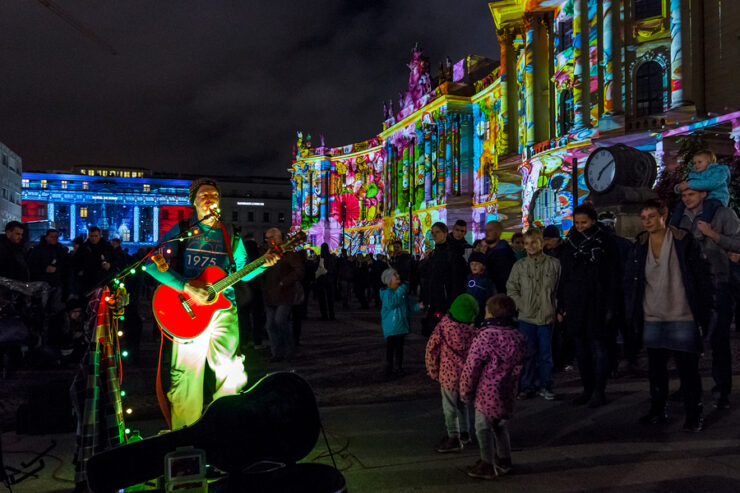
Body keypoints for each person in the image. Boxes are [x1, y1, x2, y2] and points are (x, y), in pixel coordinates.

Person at [145, 177, 278, 429]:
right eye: (203, 195)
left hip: (224, 310)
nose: (209, 198)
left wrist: (262, 264)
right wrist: (186, 286)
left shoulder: (231, 233)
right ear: (193, 201)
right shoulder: (183, 230)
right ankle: (186, 436)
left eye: (214, 195)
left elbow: (239, 271)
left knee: (231, 372)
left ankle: (226, 429)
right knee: (186, 378)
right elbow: (152, 263)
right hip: (189, 315)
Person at [625, 200, 712, 431]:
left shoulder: (682, 240)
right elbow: (633, 279)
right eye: (643, 217)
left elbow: (700, 276)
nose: (647, 221)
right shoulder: (640, 244)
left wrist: (703, 309)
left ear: (664, 216)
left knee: (688, 369)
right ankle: (658, 408)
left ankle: (694, 414)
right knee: (656, 368)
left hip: (681, 313)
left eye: (651, 216)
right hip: (652, 313)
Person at [675, 187, 740, 409]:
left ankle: (722, 389)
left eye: (691, 194)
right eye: (683, 195)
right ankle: (688, 386)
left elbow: (738, 243)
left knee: (718, 338)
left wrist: (713, 235)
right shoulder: (679, 217)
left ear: (703, 194)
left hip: (718, 282)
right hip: (691, 285)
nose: (686, 199)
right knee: (688, 338)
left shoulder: (723, 214)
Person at [558, 205, 621, 408]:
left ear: (593, 221)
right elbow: (565, 274)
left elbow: (612, 274)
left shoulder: (604, 241)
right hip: (576, 302)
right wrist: (563, 302)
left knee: (598, 346)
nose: (580, 227)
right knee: (581, 349)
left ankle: (599, 390)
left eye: (583, 222)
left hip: (597, 301)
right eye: (576, 223)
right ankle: (587, 388)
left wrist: (611, 303)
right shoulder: (570, 242)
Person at [460, 294, 527, 480]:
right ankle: (504, 459)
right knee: (500, 424)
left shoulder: (485, 336)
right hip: (507, 389)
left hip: (487, 390)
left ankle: (487, 463)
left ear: (491, 314)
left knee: (482, 427)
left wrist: (466, 390)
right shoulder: (518, 336)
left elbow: (472, 366)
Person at [506, 229, 561, 400]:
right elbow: (512, 288)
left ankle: (545, 385)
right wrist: (520, 305)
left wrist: (556, 307)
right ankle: (527, 385)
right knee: (528, 353)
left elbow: (559, 288)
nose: (529, 246)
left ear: (541, 242)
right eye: (526, 243)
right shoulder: (519, 266)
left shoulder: (554, 264)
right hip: (526, 316)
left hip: (546, 316)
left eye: (533, 242)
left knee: (545, 354)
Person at [425, 294, 480, 452]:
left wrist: (433, 370)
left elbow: (431, 350)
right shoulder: (473, 332)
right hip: (466, 375)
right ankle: (465, 433)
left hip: (448, 374)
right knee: (463, 405)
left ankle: (453, 437)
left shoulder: (443, 327)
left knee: (449, 407)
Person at [263, 227, 305, 362]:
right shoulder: (267, 253)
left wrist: (283, 283)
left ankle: (288, 349)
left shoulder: (289, 253)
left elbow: (299, 271)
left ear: (277, 238)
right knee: (270, 325)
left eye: (269, 238)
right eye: (266, 238)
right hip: (270, 294)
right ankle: (277, 352)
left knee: (280, 320)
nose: (267, 241)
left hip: (284, 294)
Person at [380, 268, 422, 378]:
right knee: (391, 348)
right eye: (394, 275)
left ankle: (398, 367)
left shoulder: (400, 292)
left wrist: (418, 306)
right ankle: (389, 367)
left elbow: (408, 307)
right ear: (389, 280)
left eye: (397, 273)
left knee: (399, 348)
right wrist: (402, 289)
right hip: (392, 326)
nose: (398, 275)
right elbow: (392, 303)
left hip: (401, 325)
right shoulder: (387, 293)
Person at [671, 149, 730, 226]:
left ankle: (703, 226)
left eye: (699, 162)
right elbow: (688, 183)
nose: (696, 165)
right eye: (694, 163)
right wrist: (678, 188)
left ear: (710, 162)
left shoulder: (719, 172)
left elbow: (710, 183)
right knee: (680, 205)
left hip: (716, 197)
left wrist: (689, 184)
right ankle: (673, 226)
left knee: (709, 207)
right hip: (702, 198)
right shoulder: (695, 174)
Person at [420, 222, 457, 336]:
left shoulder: (450, 252)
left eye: (437, 232)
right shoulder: (435, 252)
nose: (434, 235)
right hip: (433, 297)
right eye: (432, 232)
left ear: (445, 234)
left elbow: (453, 278)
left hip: (443, 298)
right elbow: (426, 275)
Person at [72, 226, 114, 296]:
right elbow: (75, 262)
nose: (93, 238)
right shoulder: (83, 248)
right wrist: (80, 270)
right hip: (87, 280)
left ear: (99, 236)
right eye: (92, 236)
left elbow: (115, 259)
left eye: (96, 236)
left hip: (103, 279)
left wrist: (110, 265)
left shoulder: (107, 247)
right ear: (89, 236)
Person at [482, 221, 516, 294]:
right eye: (486, 230)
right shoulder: (489, 251)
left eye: (490, 230)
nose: (487, 233)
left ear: (498, 232)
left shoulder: (504, 254)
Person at [466, 251, 494, 325]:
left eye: (477, 264)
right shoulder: (468, 278)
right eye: (472, 264)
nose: (474, 266)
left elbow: (490, 296)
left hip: (481, 311)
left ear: (483, 266)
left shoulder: (486, 280)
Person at [314, 243, 337, 321]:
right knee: (330, 298)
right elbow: (334, 268)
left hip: (321, 280)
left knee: (322, 298)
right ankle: (331, 314)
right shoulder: (331, 258)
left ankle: (324, 314)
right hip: (329, 279)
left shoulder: (320, 258)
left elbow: (316, 268)